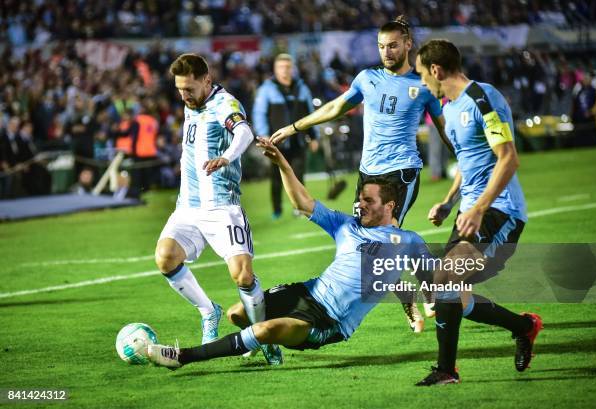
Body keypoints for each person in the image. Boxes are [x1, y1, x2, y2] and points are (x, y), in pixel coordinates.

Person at [146, 137, 435, 369]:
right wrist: (282, 163)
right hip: (307, 293)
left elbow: (430, 277)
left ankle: (182, 357)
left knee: (263, 330)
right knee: (237, 314)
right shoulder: (347, 225)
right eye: (360, 200)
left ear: (390, 207)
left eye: (368, 201)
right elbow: (304, 202)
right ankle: (268, 345)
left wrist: (427, 299)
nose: (360, 206)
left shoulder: (407, 240)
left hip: (330, 321)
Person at [270, 16, 450, 331]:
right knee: (369, 245)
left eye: (393, 45)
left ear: (408, 44)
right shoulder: (367, 78)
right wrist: (294, 127)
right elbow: (334, 107)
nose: (387, 52)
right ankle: (407, 294)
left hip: (400, 173)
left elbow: (445, 127)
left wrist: (471, 156)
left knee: (389, 240)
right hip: (367, 174)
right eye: (382, 46)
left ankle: (428, 291)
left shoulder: (424, 85)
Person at [414, 39, 543, 386]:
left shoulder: (483, 99)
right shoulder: (450, 107)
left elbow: (508, 158)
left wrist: (480, 207)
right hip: (470, 214)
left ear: (436, 70)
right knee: (455, 295)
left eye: (422, 73)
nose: (421, 81)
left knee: (444, 280)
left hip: (501, 211)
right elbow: (469, 163)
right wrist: (449, 201)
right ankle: (525, 327)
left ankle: (446, 370)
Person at [154, 53, 282, 365]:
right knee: (165, 258)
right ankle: (207, 311)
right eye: (180, 89)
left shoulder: (224, 103)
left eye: (190, 89)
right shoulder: (190, 105)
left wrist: (226, 156)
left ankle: (264, 337)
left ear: (207, 81)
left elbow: (244, 133)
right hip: (187, 208)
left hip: (222, 206)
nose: (184, 95)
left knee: (243, 276)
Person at [252, 53, 320, 219]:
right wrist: (264, 135)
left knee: (298, 175)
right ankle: (277, 210)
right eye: (281, 67)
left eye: (288, 67)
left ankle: (301, 208)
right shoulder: (266, 89)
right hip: (275, 142)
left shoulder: (302, 88)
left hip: (298, 141)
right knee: (276, 178)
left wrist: (314, 136)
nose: (285, 70)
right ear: (275, 69)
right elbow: (259, 114)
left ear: (293, 68)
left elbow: (310, 114)